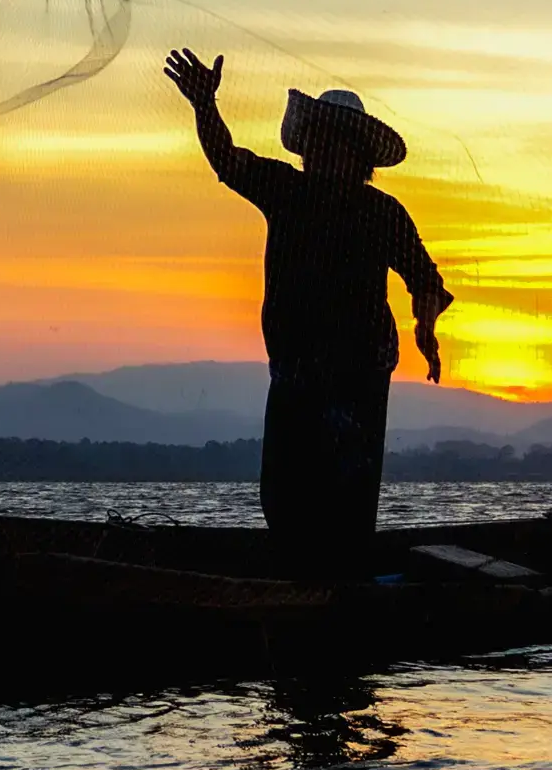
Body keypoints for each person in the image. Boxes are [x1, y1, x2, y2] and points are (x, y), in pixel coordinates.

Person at [162, 47, 451, 582]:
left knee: (348, 496)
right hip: (296, 369)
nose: (322, 154)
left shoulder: (381, 213)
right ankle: (302, 584)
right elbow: (227, 160)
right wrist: (205, 105)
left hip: (358, 372)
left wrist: (425, 327)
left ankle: (340, 591)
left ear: (357, 156)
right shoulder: (286, 190)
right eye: (317, 142)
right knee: (284, 492)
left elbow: (425, 281)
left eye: (335, 145)